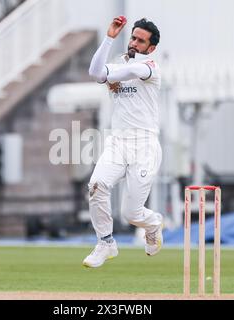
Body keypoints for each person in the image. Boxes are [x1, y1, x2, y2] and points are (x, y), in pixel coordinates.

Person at [83, 16, 163, 268]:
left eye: (141, 41)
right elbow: (95, 72)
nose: (134, 43)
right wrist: (109, 38)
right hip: (118, 142)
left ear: (150, 48)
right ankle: (105, 243)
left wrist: (110, 74)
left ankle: (153, 224)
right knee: (96, 185)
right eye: (133, 37)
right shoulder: (119, 62)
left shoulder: (150, 66)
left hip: (145, 144)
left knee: (130, 214)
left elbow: (129, 71)